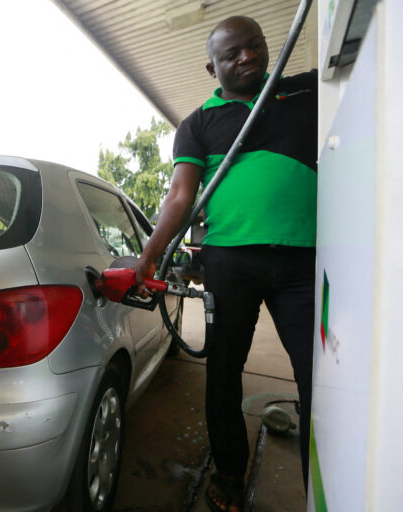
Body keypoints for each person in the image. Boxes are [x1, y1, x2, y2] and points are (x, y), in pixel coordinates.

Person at [135, 15, 317, 512]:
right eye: (232, 54)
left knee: (321, 379)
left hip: (304, 261)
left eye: (254, 46)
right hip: (231, 263)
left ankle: (322, 490)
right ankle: (231, 475)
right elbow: (180, 196)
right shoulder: (197, 124)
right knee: (224, 372)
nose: (248, 57)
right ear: (212, 68)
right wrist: (149, 256)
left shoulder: (306, 91)